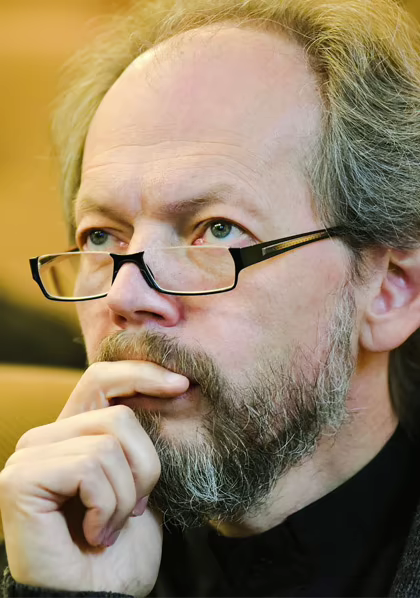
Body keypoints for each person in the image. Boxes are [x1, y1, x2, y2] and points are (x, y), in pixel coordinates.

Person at [1, 0, 420, 595]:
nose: (126, 294)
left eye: (217, 230)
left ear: (391, 289)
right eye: (101, 237)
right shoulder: (42, 538)